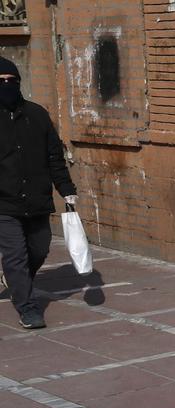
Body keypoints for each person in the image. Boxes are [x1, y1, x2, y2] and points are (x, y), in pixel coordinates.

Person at [0, 56, 78, 330]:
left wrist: (66, 189)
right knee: (15, 255)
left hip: (37, 200)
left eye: (11, 81)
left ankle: (15, 278)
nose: (7, 86)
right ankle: (28, 307)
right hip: (4, 204)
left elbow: (54, 155)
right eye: (1, 82)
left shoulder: (37, 114)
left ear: (19, 82)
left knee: (39, 248)